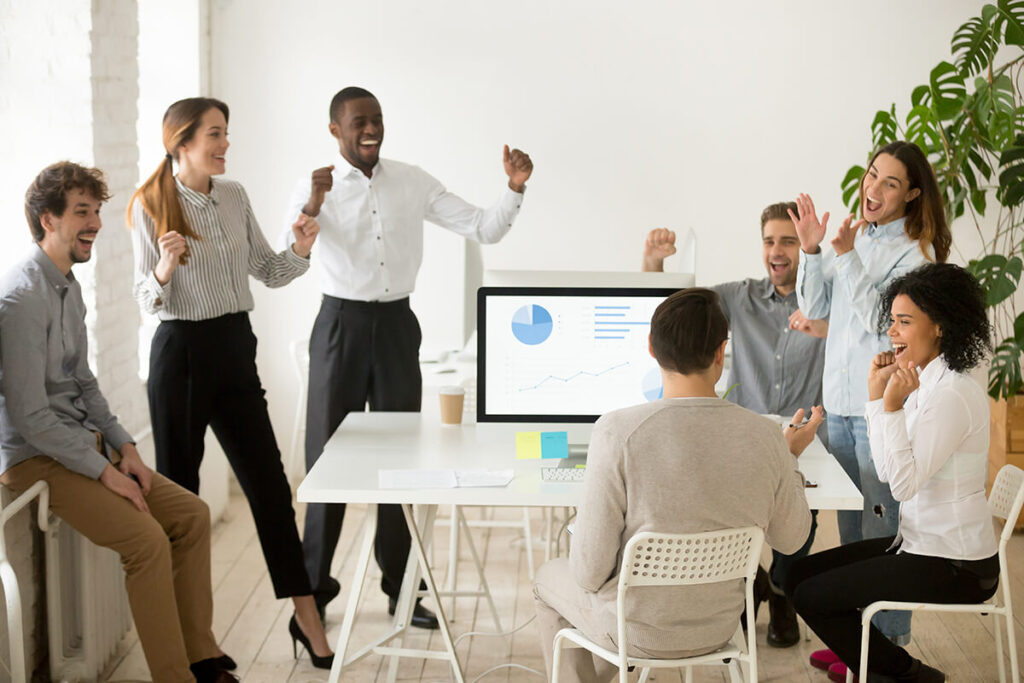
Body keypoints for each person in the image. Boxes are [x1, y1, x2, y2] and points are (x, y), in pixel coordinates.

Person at [282, 86, 534, 627]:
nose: (370, 129)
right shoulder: (315, 188)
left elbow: (483, 227)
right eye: (358, 122)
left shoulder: (412, 181)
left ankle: (401, 592)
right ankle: (313, 599)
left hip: (397, 326)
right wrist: (310, 209)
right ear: (335, 130)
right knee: (327, 466)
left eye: (376, 120)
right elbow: (289, 253)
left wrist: (513, 189)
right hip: (339, 327)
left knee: (402, 464)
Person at [0, 162, 237, 683]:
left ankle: (202, 658)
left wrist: (124, 446)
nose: (96, 223)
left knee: (192, 515)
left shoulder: (68, 286)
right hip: (37, 458)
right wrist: (104, 471)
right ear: (48, 220)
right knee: (146, 542)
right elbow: (30, 415)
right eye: (82, 212)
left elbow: (83, 382)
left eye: (97, 211)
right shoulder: (19, 299)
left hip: (80, 444)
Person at [127, 97, 333, 668]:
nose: (224, 144)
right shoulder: (149, 205)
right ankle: (194, 642)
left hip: (235, 350)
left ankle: (306, 614)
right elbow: (146, 300)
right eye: (215, 135)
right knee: (183, 502)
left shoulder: (235, 196)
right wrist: (165, 269)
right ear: (182, 142)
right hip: (180, 359)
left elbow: (268, 271)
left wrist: (301, 247)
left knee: (269, 487)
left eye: (226, 134)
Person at [532, 287, 821, 683]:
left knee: (548, 578)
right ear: (721, 353)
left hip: (633, 628)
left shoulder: (617, 431)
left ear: (651, 348)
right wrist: (788, 458)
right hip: (718, 628)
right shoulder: (765, 435)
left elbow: (589, 573)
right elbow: (791, 540)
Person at [787, 263, 995, 683]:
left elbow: (901, 486)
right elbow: (887, 470)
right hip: (920, 544)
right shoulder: (924, 382)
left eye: (905, 322)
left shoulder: (951, 394)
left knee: (812, 595)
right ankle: (880, 664)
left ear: (939, 326)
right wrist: (876, 397)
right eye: (893, 322)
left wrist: (892, 407)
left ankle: (901, 672)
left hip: (957, 566)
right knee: (795, 575)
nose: (893, 333)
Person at [790, 140, 952, 671]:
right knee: (854, 538)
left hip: (879, 412)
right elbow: (814, 307)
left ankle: (890, 657)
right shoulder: (854, 241)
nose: (874, 189)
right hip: (838, 406)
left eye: (890, 182)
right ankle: (857, 648)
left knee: (884, 540)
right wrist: (813, 251)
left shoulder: (914, 255)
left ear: (911, 194)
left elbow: (880, 320)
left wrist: (842, 255)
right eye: (872, 175)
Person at [641, 201, 827, 647]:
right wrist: (653, 263)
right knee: (726, 518)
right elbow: (674, 313)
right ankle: (750, 582)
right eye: (769, 241)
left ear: (804, 247)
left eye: (788, 241)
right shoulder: (737, 297)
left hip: (807, 438)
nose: (777, 251)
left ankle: (780, 591)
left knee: (799, 521)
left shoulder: (826, 303)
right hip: (744, 435)